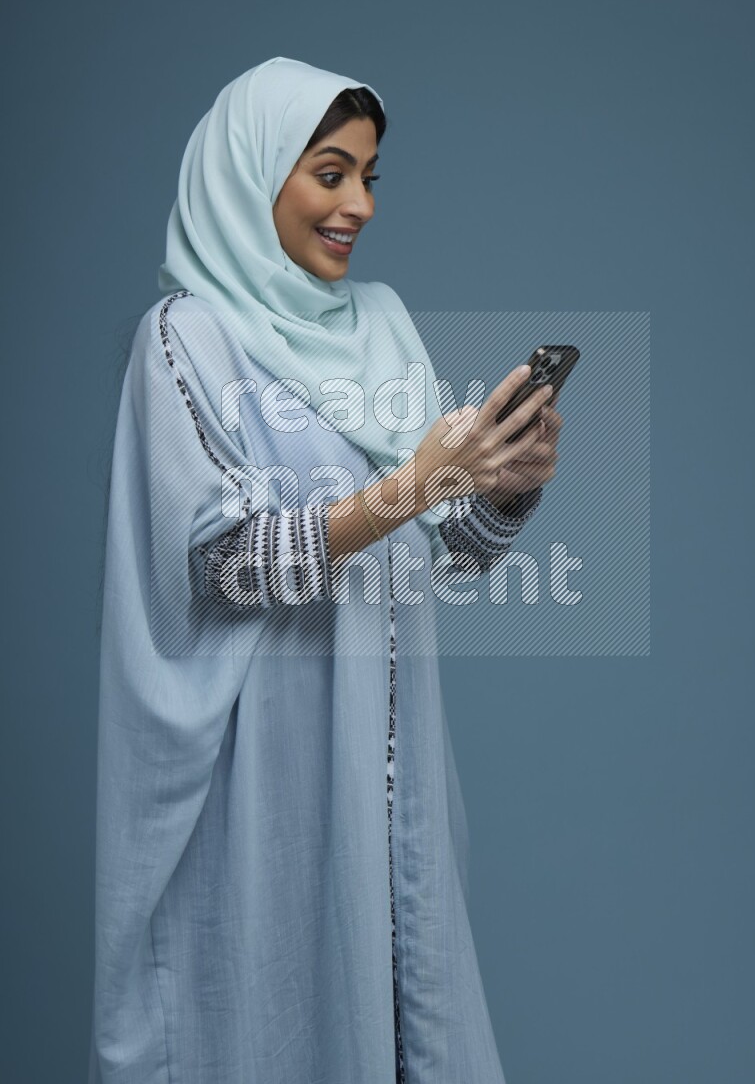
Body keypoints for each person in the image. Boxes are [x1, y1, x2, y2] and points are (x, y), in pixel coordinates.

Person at [89, 56, 563, 1084]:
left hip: (390, 774)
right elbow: (229, 561)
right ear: (252, 173)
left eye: (369, 178)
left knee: (402, 1016)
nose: (359, 206)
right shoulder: (186, 339)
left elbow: (450, 552)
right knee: (265, 1020)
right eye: (330, 173)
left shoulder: (377, 326)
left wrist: (506, 489)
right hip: (262, 773)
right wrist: (413, 484)